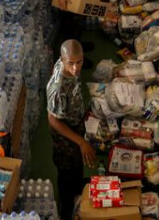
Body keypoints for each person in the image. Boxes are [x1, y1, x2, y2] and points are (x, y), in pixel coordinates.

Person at [46, 39, 95, 220]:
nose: (75, 68)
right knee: (67, 172)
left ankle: (77, 190)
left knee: (76, 169)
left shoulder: (70, 68)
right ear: (62, 60)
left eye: (79, 62)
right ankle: (67, 208)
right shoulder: (59, 88)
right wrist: (81, 142)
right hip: (65, 138)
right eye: (71, 63)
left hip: (74, 124)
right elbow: (52, 120)